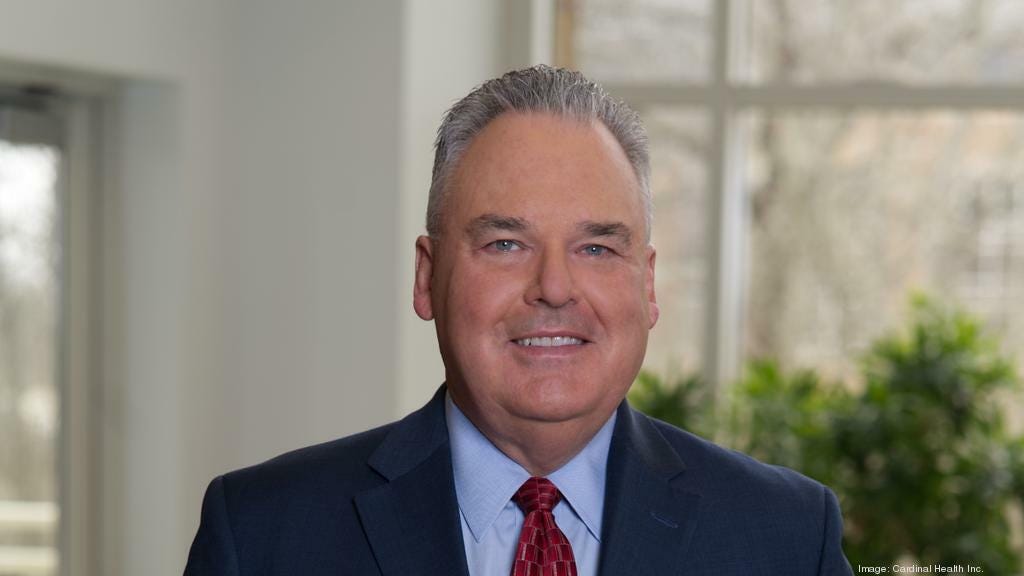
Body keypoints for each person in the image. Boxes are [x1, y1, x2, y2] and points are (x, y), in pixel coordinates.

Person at [184, 65, 853, 576]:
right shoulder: (263, 534)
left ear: (647, 284)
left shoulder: (787, 538)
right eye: (506, 244)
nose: (554, 288)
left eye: (597, 248)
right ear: (427, 277)